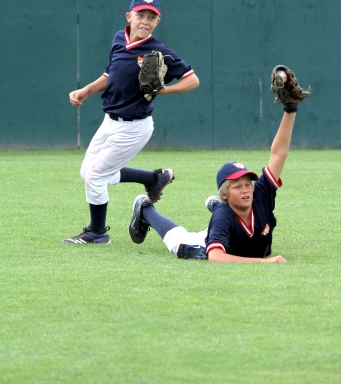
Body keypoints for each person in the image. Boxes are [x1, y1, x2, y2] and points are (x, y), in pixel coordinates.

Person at [62, 0, 199, 244]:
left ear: (158, 21)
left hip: (134, 126)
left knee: (95, 175)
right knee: (88, 173)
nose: (145, 21)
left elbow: (192, 80)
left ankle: (97, 232)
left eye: (151, 16)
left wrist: (164, 90)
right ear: (129, 16)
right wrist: (86, 91)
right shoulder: (119, 39)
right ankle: (154, 179)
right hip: (110, 121)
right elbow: (109, 73)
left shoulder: (159, 51)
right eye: (140, 15)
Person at [128, 102, 300, 262]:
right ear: (224, 194)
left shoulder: (260, 195)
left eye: (248, 184)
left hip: (228, 220)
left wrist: (290, 109)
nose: (246, 190)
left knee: (227, 216)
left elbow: (278, 154)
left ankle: (216, 205)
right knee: (177, 239)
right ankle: (144, 208)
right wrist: (264, 263)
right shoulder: (224, 217)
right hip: (205, 242)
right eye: (237, 186)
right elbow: (216, 257)